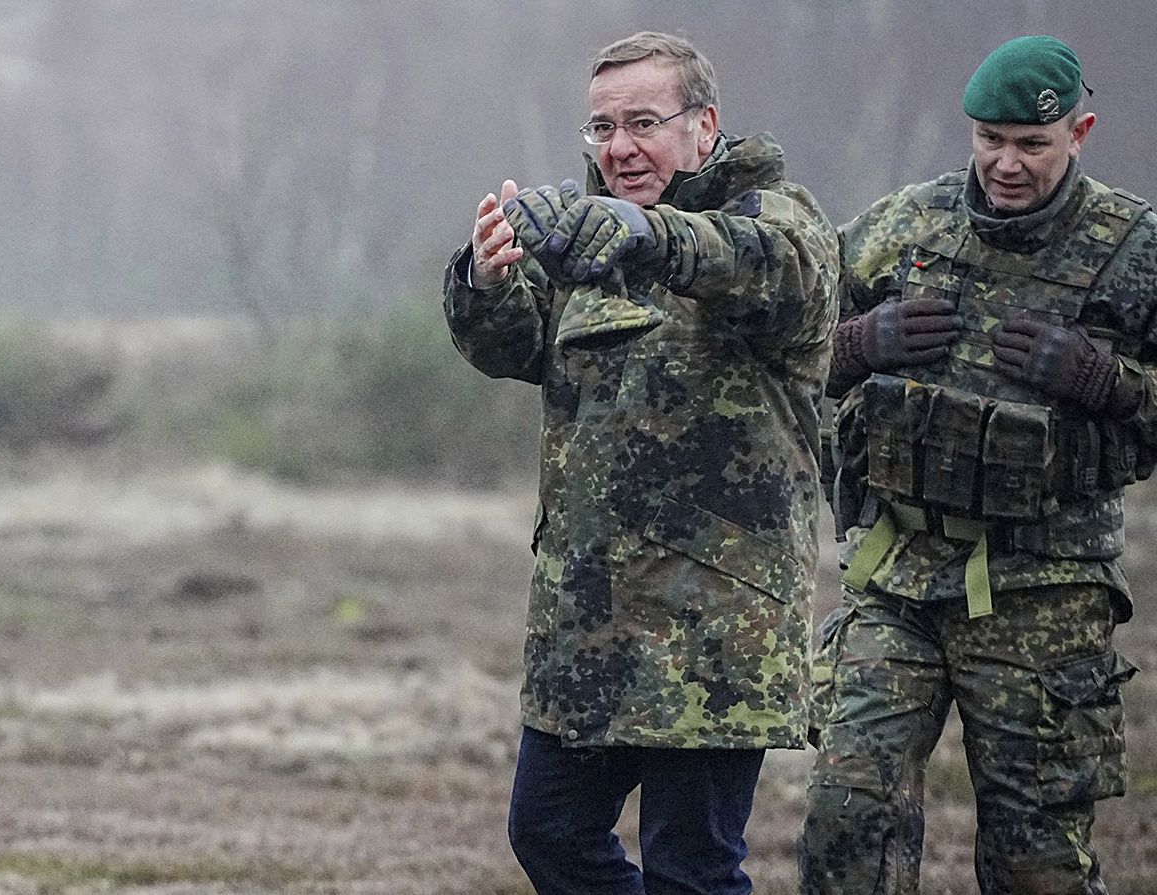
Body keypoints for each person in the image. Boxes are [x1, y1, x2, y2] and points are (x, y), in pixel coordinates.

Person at [442, 30, 838, 895]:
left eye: (643, 122)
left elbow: (778, 275)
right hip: (590, 621)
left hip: (715, 624)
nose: (619, 147)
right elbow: (512, 344)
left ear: (705, 127)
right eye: (601, 128)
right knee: (546, 830)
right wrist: (487, 274)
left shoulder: (774, 218)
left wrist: (646, 234)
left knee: (691, 866)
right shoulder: (584, 245)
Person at [801, 35, 1151, 894]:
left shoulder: (1135, 250)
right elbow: (782, 359)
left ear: (1081, 132)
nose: (1005, 163)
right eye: (989, 139)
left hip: (1044, 594)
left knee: (1036, 863)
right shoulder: (898, 227)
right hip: (897, 577)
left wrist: (1109, 381)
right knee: (849, 821)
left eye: (1031, 145)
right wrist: (850, 345)